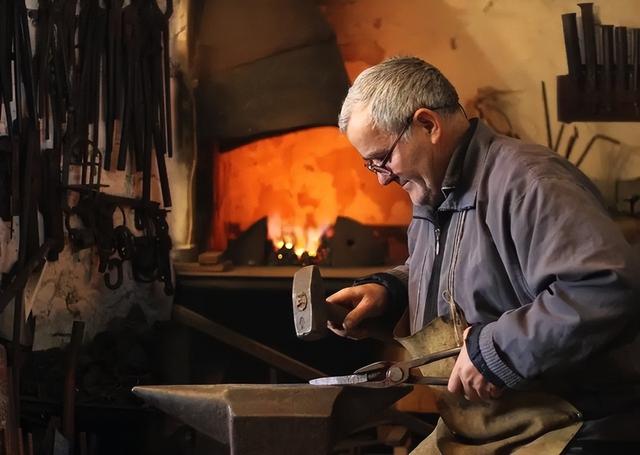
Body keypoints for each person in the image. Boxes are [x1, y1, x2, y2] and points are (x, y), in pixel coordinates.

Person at [328, 56, 640, 453]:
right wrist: (391, 291)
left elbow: (606, 286)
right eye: (369, 164)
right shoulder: (435, 190)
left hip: (566, 425)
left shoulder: (528, 183)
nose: (382, 177)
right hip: (481, 425)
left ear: (427, 125)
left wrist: (500, 349)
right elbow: (467, 268)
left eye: (383, 158)